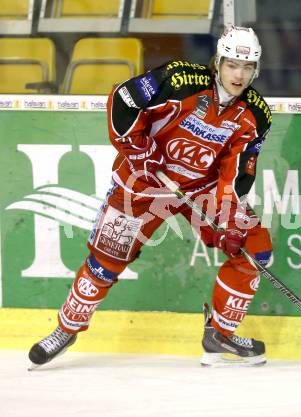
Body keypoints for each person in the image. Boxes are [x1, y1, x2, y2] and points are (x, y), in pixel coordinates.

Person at [28, 26, 273, 368]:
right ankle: (66, 328)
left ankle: (220, 333)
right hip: (143, 181)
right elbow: (122, 100)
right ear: (218, 62)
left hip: (199, 189)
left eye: (247, 68)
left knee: (253, 247)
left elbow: (239, 172)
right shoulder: (178, 79)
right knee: (106, 260)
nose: (239, 74)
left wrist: (230, 219)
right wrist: (138, 150)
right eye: (233, 65)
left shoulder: (256, 114)